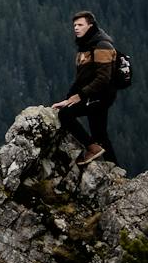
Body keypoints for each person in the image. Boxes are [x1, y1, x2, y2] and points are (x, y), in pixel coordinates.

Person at [50, 10, 120, 168]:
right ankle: (117, 171)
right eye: (74, 25)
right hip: (94, 95)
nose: (76, 28)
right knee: (100, 134)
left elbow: (103, 79)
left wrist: (79, 96)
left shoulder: (102, 45)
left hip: (101, 95)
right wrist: (68, 99)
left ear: (90, 26)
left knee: (66, 114)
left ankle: (92, 148)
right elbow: (80, 79)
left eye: (80, 25)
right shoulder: (85, 46)